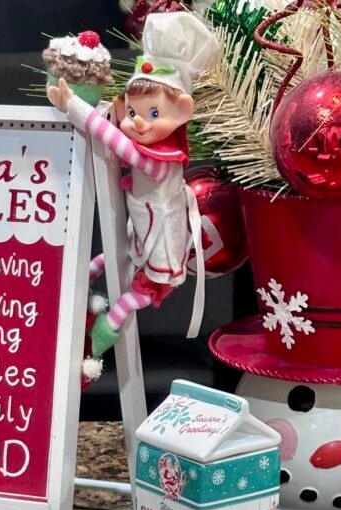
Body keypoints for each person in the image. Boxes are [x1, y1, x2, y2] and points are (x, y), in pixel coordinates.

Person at [48, 11, 219, 357]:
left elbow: (118, 143)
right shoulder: (142, 140)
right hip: (141, 223)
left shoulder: (160, 159)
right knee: (117, 257)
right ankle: (81, 287)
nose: (138, 122)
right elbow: (116, 129)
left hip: (163, 236)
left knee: (142, 290)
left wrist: (77, 108)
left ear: (181, 112)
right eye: (132, 113)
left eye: (152, 114)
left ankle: (102, 334)